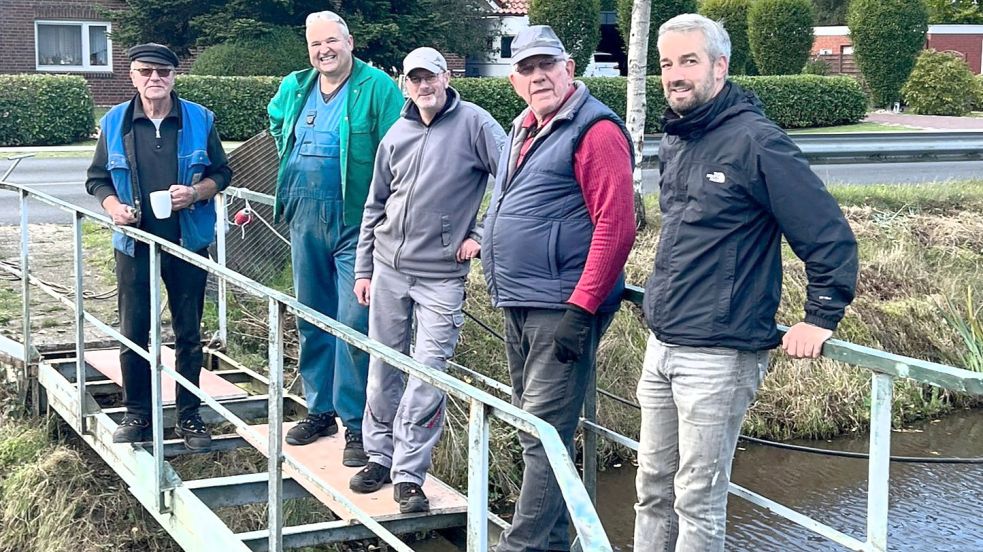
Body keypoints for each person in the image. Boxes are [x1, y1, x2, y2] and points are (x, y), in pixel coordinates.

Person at [634, 14, 859, 551]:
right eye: (666, 64)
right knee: (650, 490)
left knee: (697, 497)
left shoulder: (757, 142)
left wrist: (820, 315)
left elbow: (827, 233)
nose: (675, 75)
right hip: (663, 342)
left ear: (720, 66)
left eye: (689, 60)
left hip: (720, 353)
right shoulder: (678, 139)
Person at [481, 25, 636, 552]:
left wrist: (582, 306)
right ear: (514, 81)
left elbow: (616, 225)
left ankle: (520, 545)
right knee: (532, 428)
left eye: (547, 64)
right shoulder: (522, 127)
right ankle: (550, 544)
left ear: (570, 68)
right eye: (526, 68)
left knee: (544, 432)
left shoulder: (595, 131)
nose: (537, 76)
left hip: (561, 306)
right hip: (521, 299)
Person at [347, 47, 506, 513]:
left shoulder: (476, 123)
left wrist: (479, 233)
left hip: (441, 276)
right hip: (388, 269)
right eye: (414, 79)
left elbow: (511, 179)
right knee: (383, 366)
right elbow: (374, 206)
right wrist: (363, 268)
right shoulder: (396, 133)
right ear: (405, 84)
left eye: (430, 77)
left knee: (427, 373)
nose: (423, 86)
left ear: (447, 76)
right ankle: (379, 456)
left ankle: (409, 475)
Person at [268, 11, 403, 466]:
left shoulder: (377, 88)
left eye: (331, 41)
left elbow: (397, 153)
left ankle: (356, 424)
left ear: (350, 41)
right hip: (303, 216)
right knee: (311, 317)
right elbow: (275, 123)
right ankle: (319, 408)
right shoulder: (296, 85)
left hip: (355, 225)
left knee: (353, 323)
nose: (323, 50)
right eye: (314, 44)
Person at [85, 43, 232, 451]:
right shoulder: (116, 121)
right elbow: (97, 178)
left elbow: (223, 172)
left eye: (163, 72)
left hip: (187, 241)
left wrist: (198, 192)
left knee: (188, 332)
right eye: (145, 71)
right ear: (132, 75)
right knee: (134, 331)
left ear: (174, 76)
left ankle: (189, 415)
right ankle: (137, 413)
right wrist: (114, 207)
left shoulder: (200, 119)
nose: (155, 79)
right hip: (135, 243)